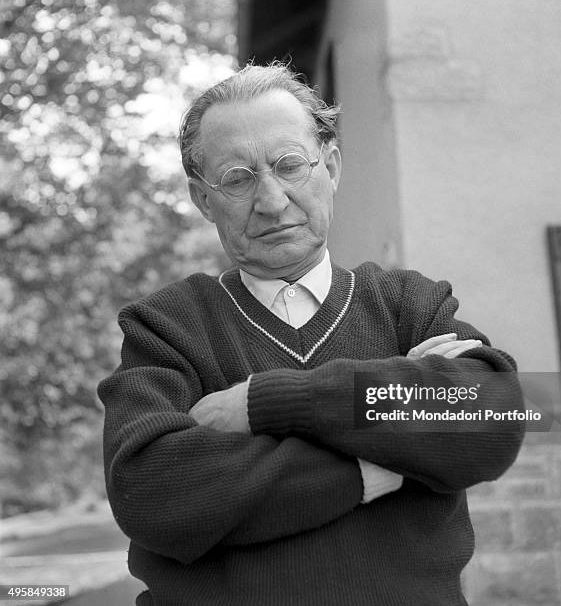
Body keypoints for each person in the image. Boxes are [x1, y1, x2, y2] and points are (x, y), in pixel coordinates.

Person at [98, 62, 525, 605]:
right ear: (203, 199)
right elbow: (153, 493)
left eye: (290, 165)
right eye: (237, 177)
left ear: (332, 166)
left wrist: (268, 403)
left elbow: (488, 416)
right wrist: (378, 466)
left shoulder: (409, 303)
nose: (272, 200)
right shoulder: (165, 327)